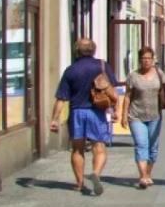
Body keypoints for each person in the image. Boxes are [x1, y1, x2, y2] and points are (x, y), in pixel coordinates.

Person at [50, 39, 119, 196]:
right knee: (99, 147)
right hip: (97, 112)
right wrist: (114, 110)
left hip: (77, 112)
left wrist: (54, 119)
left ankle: (79, 183)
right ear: (93, 50)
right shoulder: (102, 66)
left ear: (76, 51)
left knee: (77, 148)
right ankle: (96, 172)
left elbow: (61, 98)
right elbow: (112, 91)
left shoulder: (71, 70)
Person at [117, 46, 165, 189]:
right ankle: (142, 176)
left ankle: (148, 173)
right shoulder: (133, 76)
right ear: (139, 60)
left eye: (149, 58)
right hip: (136, 116)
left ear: (153, 59)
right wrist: (124, 115)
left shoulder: (159, 74)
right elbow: (128, 96)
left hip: (155, 116)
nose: (146, 61)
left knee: (153, 148)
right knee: (141, 145)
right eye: (143, 58)